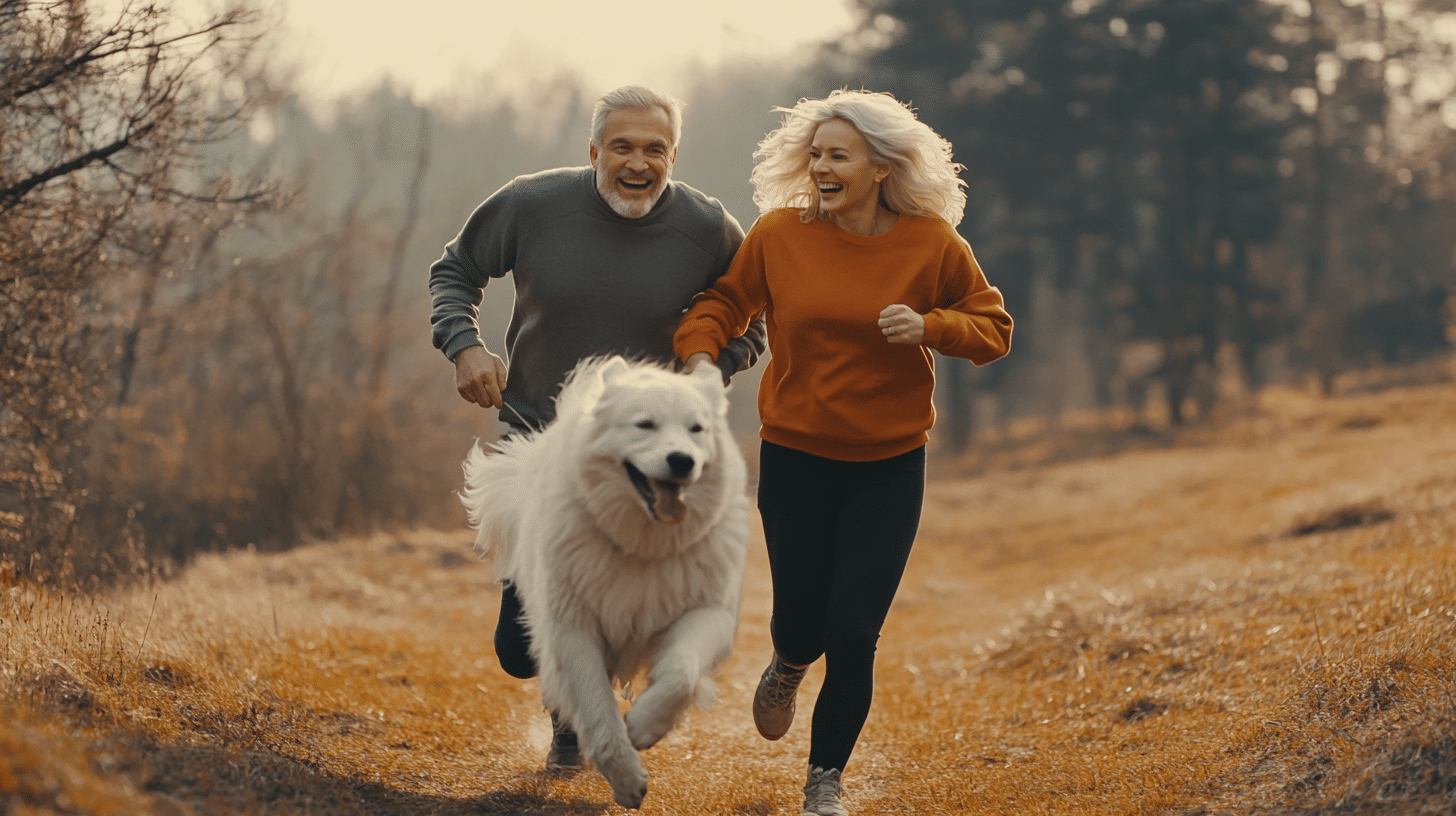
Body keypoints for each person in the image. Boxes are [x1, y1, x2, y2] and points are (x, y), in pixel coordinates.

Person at [674, 89, 1013, 816]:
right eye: (816, 154)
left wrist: (931, 327)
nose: (821, 167)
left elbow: (992, 328)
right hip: (796, 457)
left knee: (853, 632)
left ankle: (824, 782)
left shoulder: (930, 244)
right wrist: (702, 357)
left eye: (838, 156)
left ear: (881, 167)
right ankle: (788, 665)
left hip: (889, 465)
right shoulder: (779, 235)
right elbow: (724, 306)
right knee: (801, 623)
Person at [429, 85, 767, 772]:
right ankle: (573, 705)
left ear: (674, 155)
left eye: (654, 149)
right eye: (622, 146)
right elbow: (455, 269)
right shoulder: (531, 204)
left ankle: (577, 722)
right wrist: (463, 344)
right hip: (538, 439)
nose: (637, 162)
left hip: (644, 455)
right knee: (519, 648)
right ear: (593, 151)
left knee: (624, 590)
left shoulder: (706, 226)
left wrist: (706, 375)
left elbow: (750, 317)